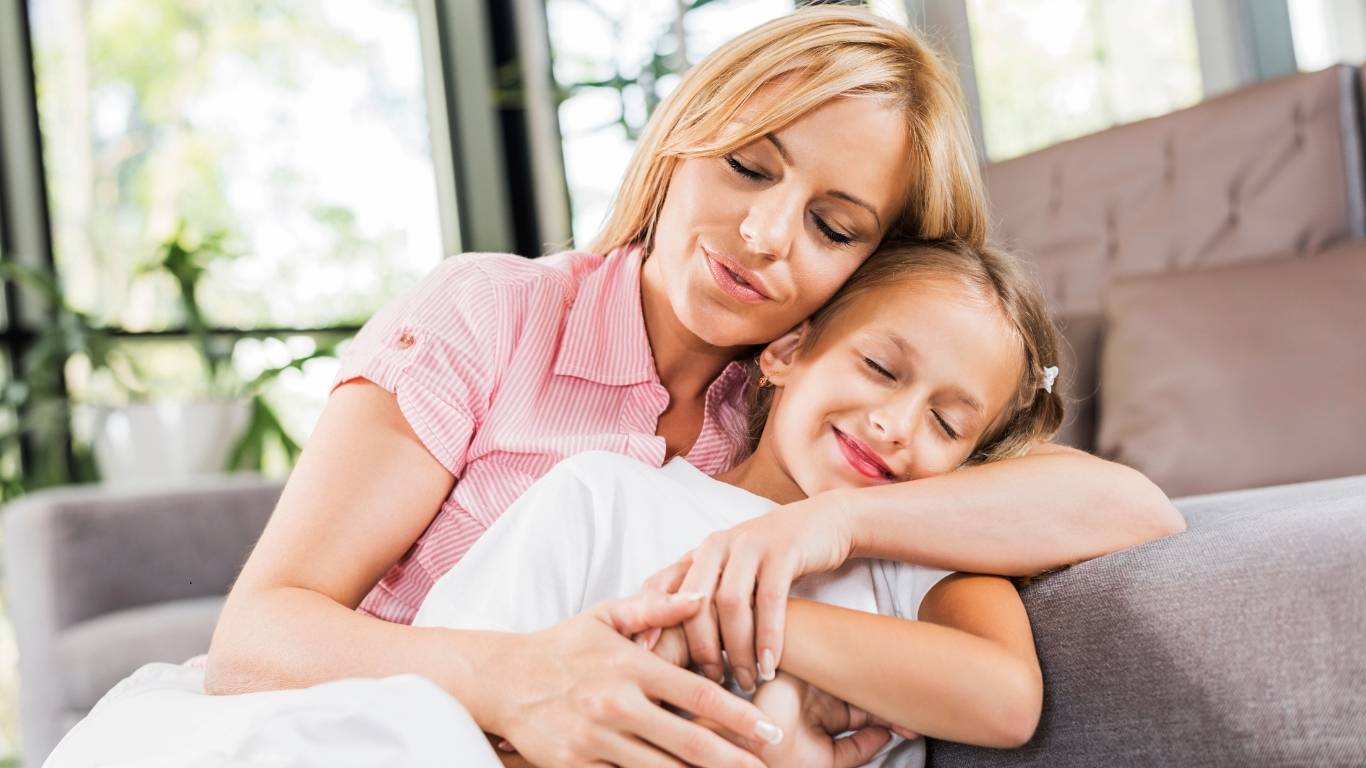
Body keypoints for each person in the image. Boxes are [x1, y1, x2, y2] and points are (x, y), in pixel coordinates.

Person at [205, 7, 1184, 768]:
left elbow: (1122, 504)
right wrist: (522, 681)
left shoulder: (812, 438)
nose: (765, 237)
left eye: (832, 227)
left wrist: (822, 534)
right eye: (747, 167)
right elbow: (254, 640)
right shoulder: (494, 314)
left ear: (866, 272)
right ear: (681, 142)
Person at [413, 238, 1059, 768]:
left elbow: (1005, 701)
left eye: (946, 425)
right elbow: (434, 720)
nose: (896, 424)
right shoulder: (601, 498)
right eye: (881, 369)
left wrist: (743, 616)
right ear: (786, 351)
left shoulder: (916, 551)